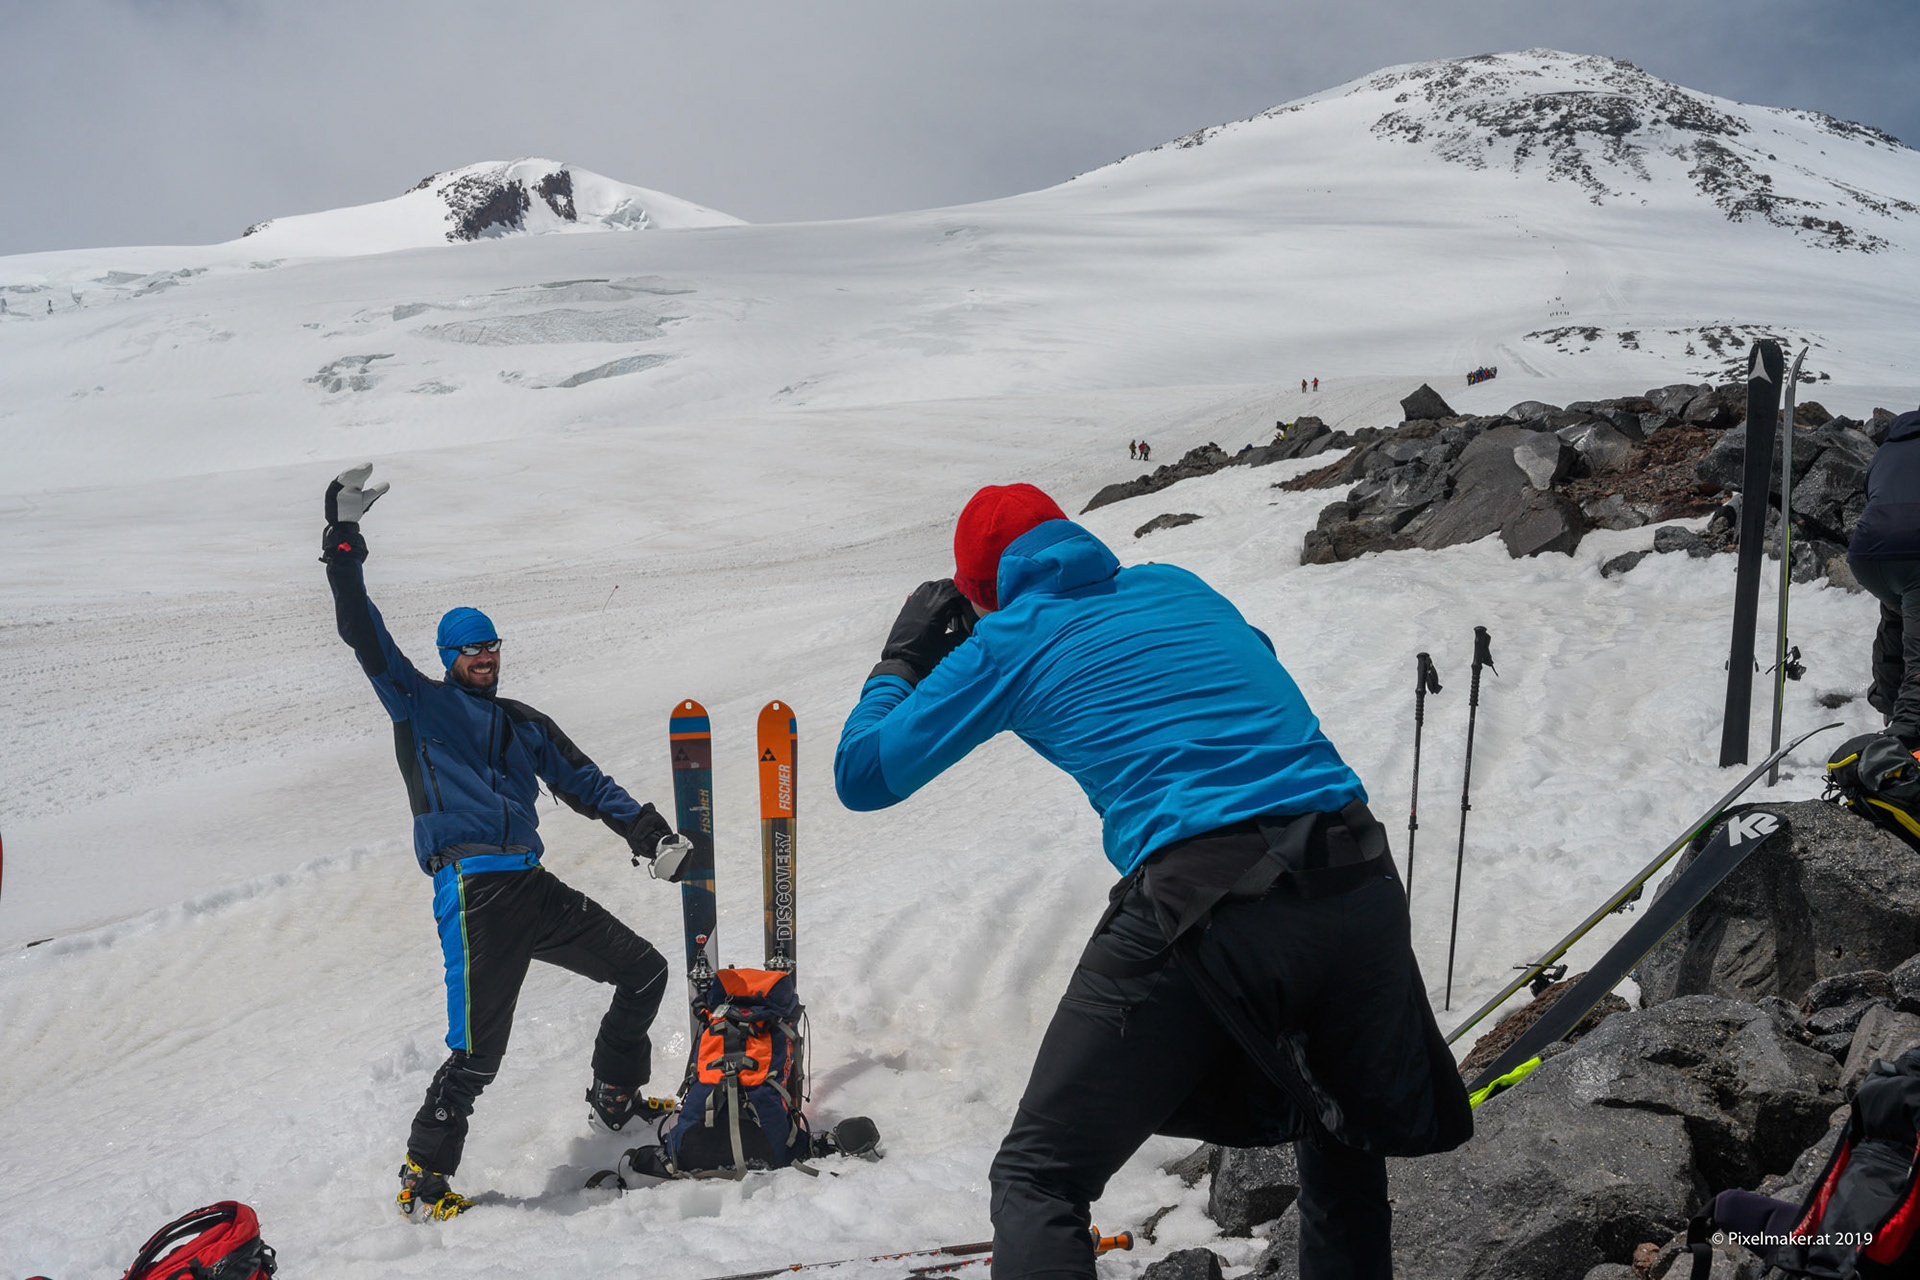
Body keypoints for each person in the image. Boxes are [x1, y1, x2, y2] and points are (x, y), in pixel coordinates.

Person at [833, 485, 1471, 1280]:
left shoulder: (1007, 642)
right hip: (1357, 871)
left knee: (1040, 1176)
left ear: (979, 591)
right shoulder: (1178, 585)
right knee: (1338, 1132)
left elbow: (862, 774)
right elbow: (1250, 667)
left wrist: (904, 661)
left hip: (1211, 896)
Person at [319, 463, 692, 1221]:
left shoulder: (524, 721)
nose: (484, 658)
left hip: (533, 886)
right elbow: (361, 630)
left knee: (644, 973)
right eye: (471, 650)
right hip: (476, 893)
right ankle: (424, 1181)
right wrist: (343, 540)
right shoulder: (418, 703)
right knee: (476, 1055)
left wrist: (648, 836)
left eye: (492, 647)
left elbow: (587, 782)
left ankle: (615, 1097)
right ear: (449, 658)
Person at [1849, 410, 1920, 748]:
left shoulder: (1887, 449)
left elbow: (1874, 495)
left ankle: (1890, 706)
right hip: (1913, 550)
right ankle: (1905, 742)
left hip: (1868, 556)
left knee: (1896, 617)